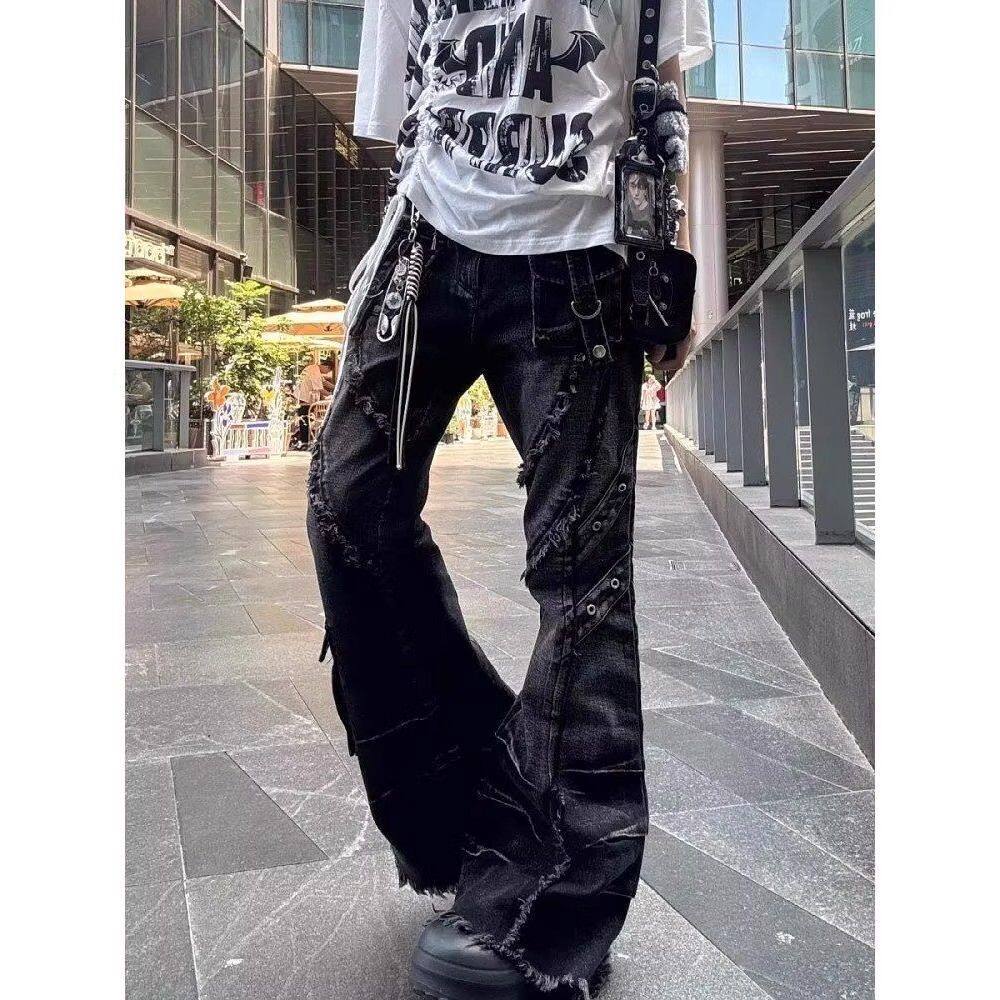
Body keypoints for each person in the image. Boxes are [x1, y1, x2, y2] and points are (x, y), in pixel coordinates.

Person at [307, 3, 712, 998]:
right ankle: (475, 805)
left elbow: (660, 86)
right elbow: (408, 106)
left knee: (582, 578)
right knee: (349, 508)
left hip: (578, 256)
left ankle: (554, 907)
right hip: (424, 244)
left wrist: (670, 255)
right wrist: (375, 271)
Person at [294, 356, 334, 449]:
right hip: (303, 397)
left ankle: (305, 440)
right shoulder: (315, 371)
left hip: (302, 396)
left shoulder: (313, 368)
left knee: (306, 418)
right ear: (326, 367)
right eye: (328, 371)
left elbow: (324, 382)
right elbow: (319, 388)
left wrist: (336, 388)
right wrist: (333, 396)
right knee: (304, 419)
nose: (326, 373)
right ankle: (305, 442)